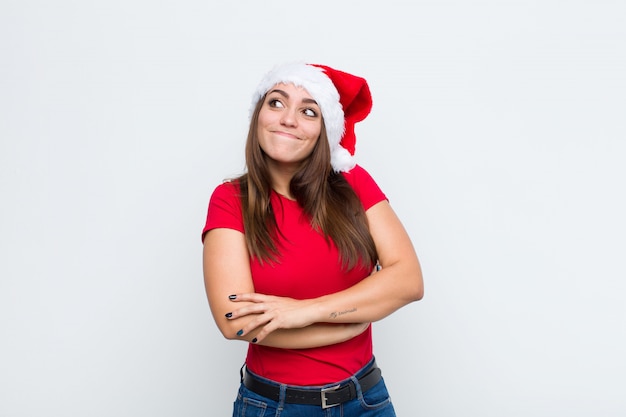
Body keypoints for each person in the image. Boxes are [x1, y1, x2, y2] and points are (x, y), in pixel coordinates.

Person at [201, 62, 423, 416]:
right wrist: (352, 322)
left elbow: (408, 280)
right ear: (258, 115)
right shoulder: (230, 200)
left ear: (324, 130)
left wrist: (303, 312)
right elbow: (236, 321)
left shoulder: (353, 183)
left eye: (308, 111)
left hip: (366, 400)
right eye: (276, 102)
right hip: (276, 406)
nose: (289, 119)